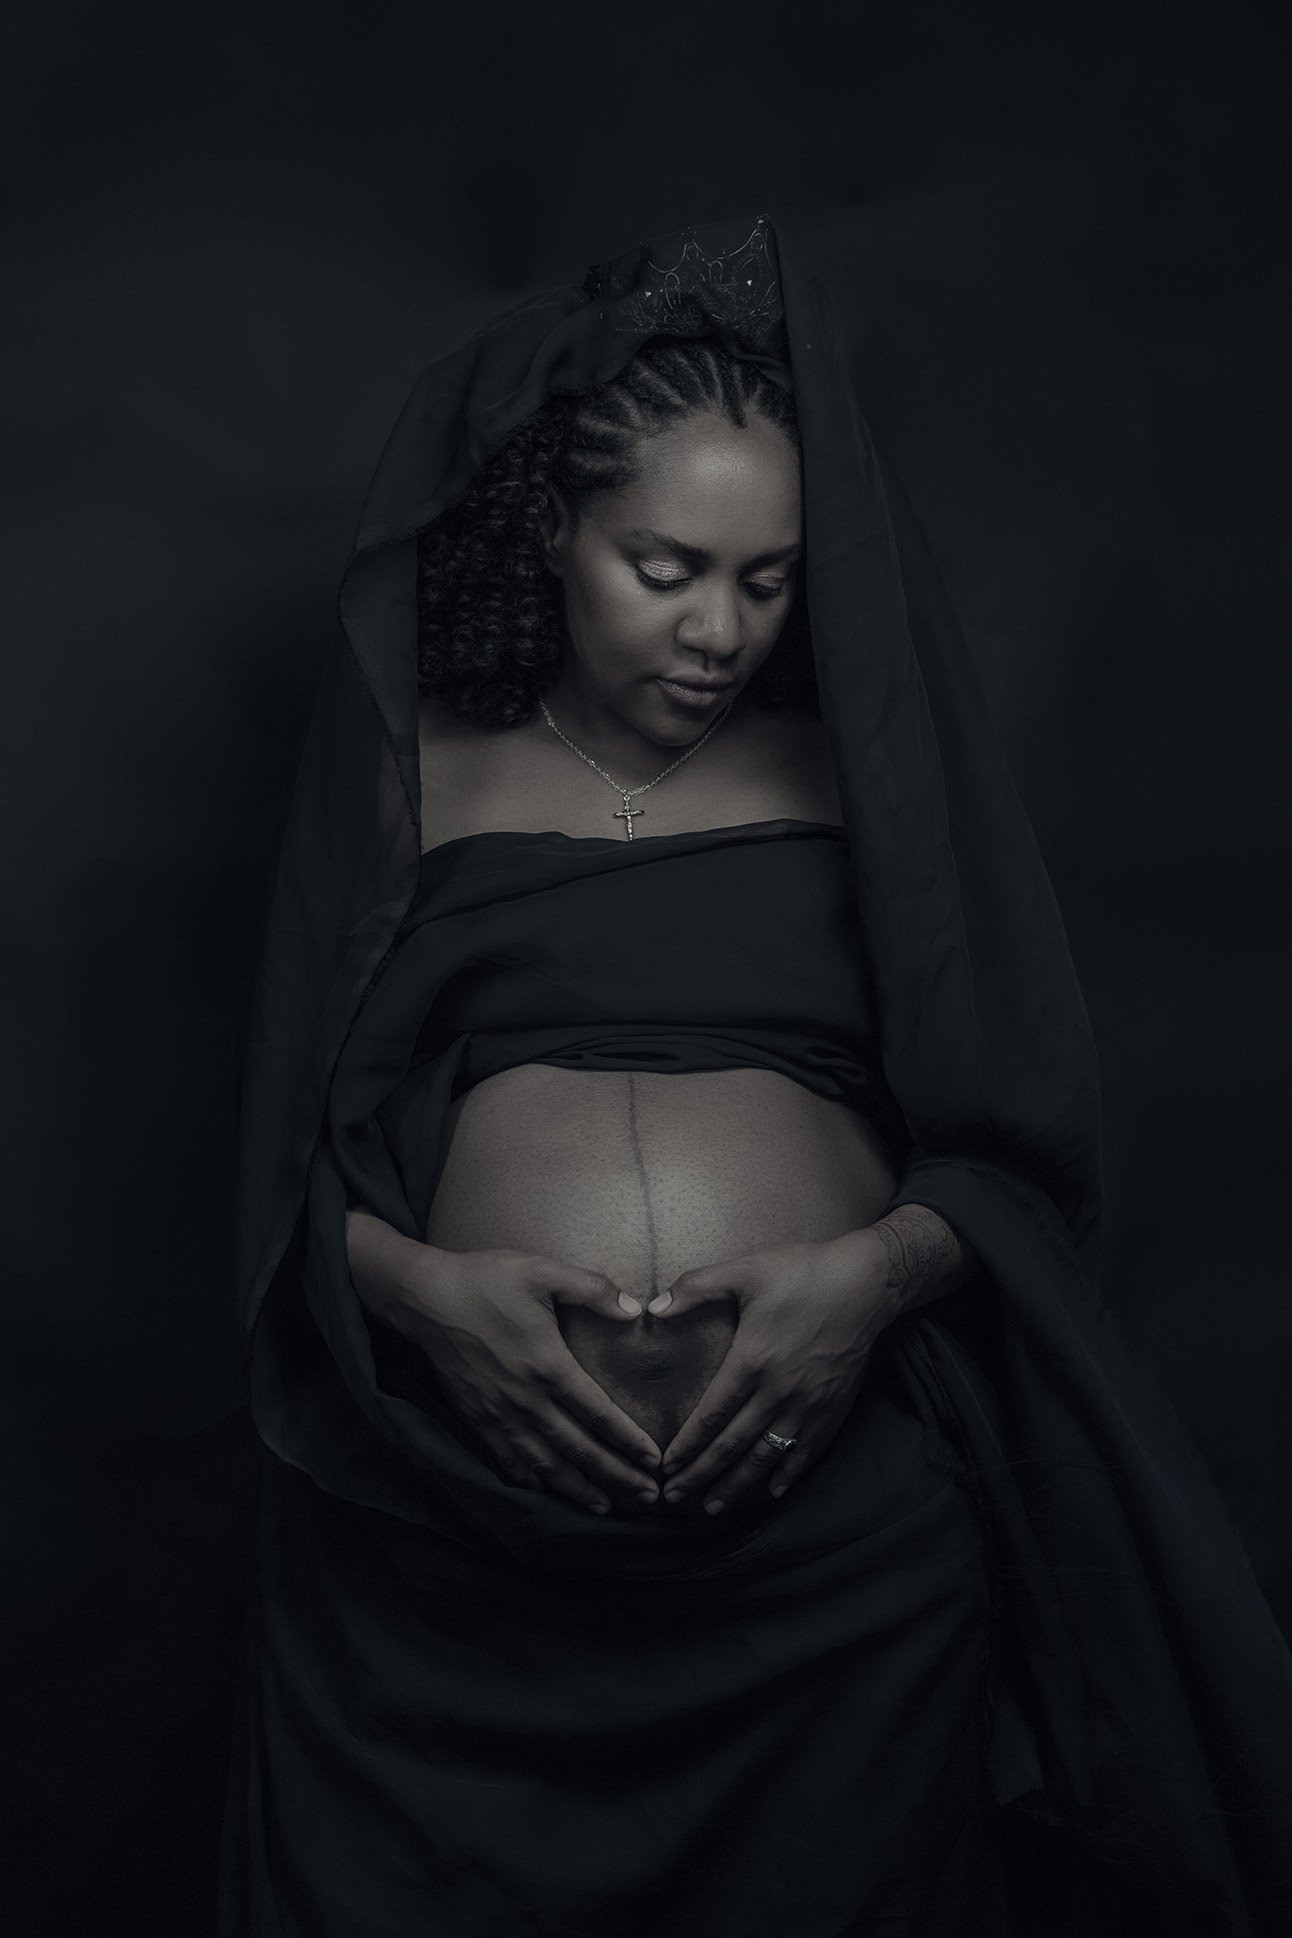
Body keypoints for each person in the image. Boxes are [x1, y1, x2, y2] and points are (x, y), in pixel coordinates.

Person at [220, 215, 1292, 1937]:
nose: (721, 628)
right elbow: (282, 1167)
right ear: (554, 529)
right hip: (461, 1588)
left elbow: (1020, 1150)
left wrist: (866, 1281)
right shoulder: (411, 764)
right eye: (667, 566)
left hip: (830, 1589)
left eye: (769, 577)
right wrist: (424, 1294)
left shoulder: (870, 775)